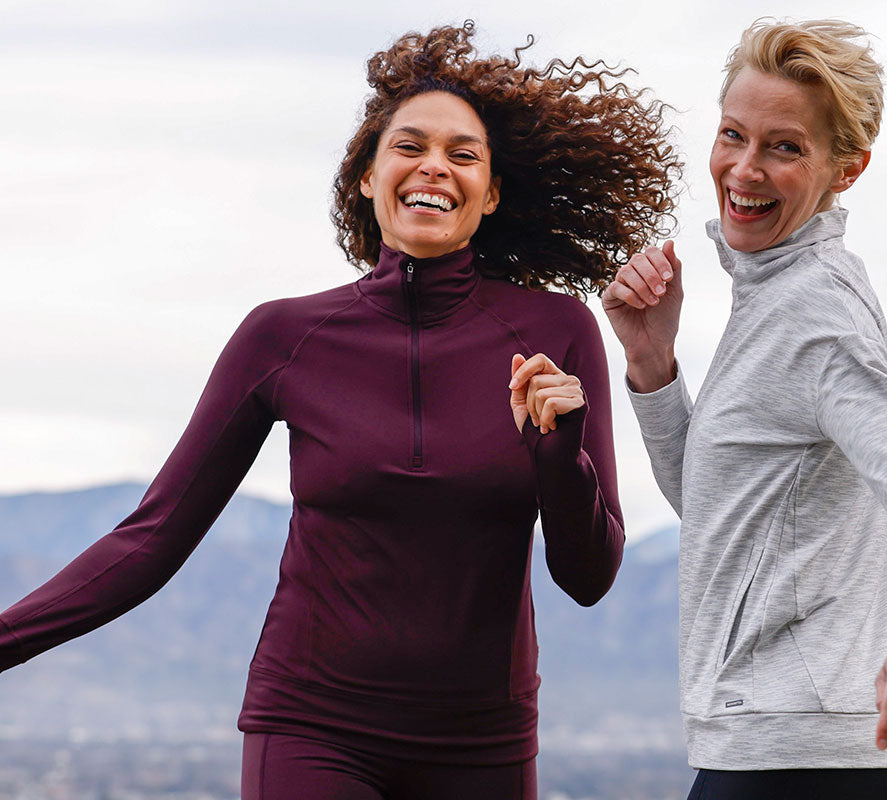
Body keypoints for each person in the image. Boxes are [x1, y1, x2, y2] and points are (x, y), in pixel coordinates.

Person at [0, 23, 678, 800]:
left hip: (482, 742)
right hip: (311, 730)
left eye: (463, 155)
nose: (434, 167)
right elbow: (152, 538)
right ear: (366, 176)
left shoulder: (556, 335)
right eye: (409, 146)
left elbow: (588, 576)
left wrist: (560, 453)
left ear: (490, 194)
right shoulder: (284, 337)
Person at [601, 19, 887, 800]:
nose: (744, 168)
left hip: (806, 758)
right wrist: (651, 364)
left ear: (848, 168)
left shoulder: (815, 307)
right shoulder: (770, 290)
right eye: (734, 134)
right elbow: (718, 509)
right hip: (784, 746)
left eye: (785, 147)